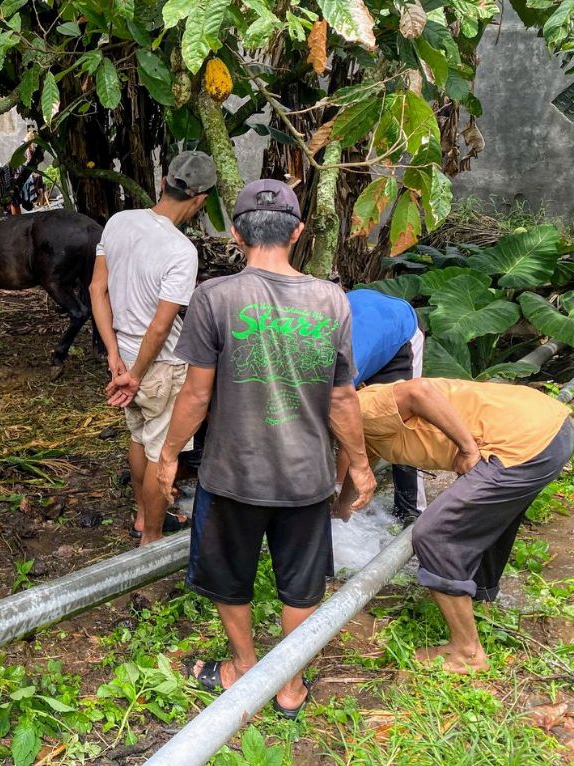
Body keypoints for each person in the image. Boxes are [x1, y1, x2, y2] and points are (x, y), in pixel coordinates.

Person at [154, 180, 377, 718]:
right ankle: (289, 686)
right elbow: (342, 397)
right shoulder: (332, 300)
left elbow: (196, 394)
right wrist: (361, 465)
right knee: (301, 584)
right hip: (306, 477)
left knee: (229, 576)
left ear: (236, 233)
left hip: (234, 474)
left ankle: (243, 667)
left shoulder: (216, 297)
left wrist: (168, 454)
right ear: (297, 232)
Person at [340, 377, 573, 673]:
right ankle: (478, 597)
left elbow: (418, 391)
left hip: (523, 443)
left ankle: (466, 652)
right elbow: (358, 467)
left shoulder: (362, 408)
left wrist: (467, 449)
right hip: (551, 430)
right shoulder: (360, 430)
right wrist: (340, 508)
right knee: (482, 517)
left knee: (434, 535)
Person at [89, 151, 217, 540]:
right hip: (161, 365)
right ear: (200, 200)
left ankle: (143, 517)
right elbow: (161, 327)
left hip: (125, 356)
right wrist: (136, 374)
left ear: (164, 182)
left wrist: (114, 355)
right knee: (163, 452)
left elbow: (97, 289)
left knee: (138, 437)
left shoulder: (118, 221)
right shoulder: (181, 251)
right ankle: (152, 538)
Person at [347, 288, 427, 522]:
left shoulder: (338, 376)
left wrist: (341, 497)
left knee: (399, 422)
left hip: (398, 328)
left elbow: (347, 424)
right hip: (364, 322)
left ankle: (411, 512)